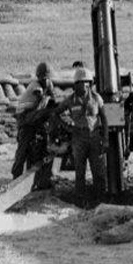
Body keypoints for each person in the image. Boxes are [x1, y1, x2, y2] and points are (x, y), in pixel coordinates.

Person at [54, 68, 109, 199]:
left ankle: (100, 200)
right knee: (80, 172)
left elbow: (104, 118)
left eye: (87, 82)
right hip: (79, 139)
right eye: (81, 82)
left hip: (95, 137)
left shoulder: (96, 98)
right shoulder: (69, 101)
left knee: (98, 172)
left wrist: (105, 139)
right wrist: (67, 126)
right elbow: (56, 113)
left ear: (90, 84)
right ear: (75, 84)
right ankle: (80, 200)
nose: (84, 85)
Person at [11, 61, 57, 191]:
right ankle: (16, 180)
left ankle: (40, 181)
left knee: (40, 150)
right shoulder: (35, 86)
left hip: (35, 120)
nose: (46, 80)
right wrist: (46, 100)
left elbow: (53, 103)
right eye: (43, 78)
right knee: (23, 151)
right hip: (25, 119)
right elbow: (40, 105)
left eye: (47, 78)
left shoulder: (49, 85)